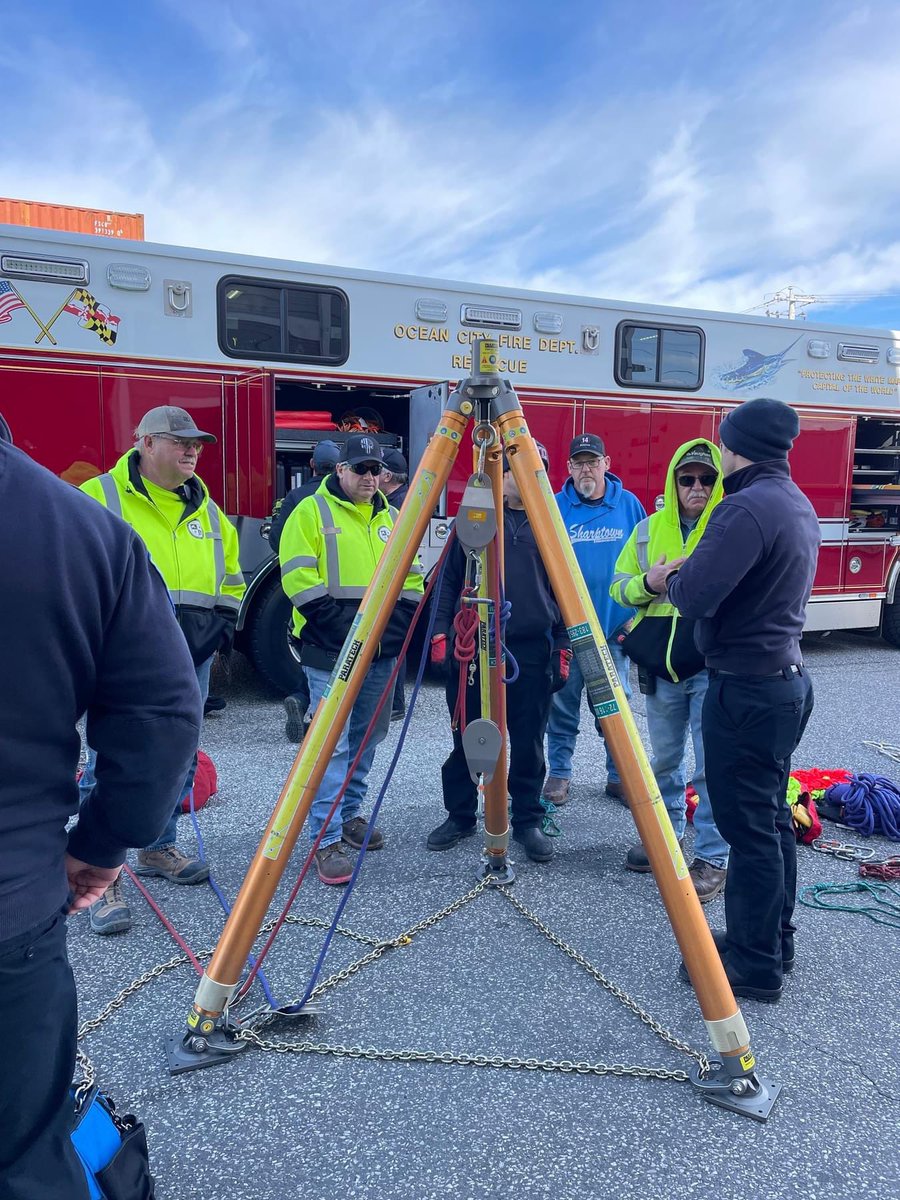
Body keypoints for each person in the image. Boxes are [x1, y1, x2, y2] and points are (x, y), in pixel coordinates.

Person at [0, 432, 201, 1199]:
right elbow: (161, 711)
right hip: (13, 911)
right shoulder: (78, 524)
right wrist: (103, 841)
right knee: (23, 1156)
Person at [665, 397, 819, 1002]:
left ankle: (754, 966)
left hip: (747, 690)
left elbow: (696, 595)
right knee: (772, 817)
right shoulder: (793, 501)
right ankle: (772, 939)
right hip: (784, 682)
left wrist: (665, 578)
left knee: (747, 827)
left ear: (737, 447)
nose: (718, 452)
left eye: (723, 443)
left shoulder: (745, 507)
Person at [78, 405, 245, 933]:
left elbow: (232, 584)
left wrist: (214, 637)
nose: (193, 450)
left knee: (177, 754)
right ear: (145, 443)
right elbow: (76, 582)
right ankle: (99, 878)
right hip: (118, 655)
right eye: (180, 441)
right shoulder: (99, 499)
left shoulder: (210, 514)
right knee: (108, 756)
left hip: (186, 660)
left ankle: (157, 847)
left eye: (197, 442)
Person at [279, 434, 425, 884]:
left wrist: (392, 630)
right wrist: (349, 632)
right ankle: (325, 840)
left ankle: (350, 815)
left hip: (380, 653)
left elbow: (413, 579)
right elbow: (299, 579)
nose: (368, 477)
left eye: (375, 470)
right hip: (330, 651)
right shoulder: (310, 512)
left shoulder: (395, 518)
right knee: (332, 744)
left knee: (367, 737)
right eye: (359, 468)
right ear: (338, 469)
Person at [426, 443, 570, 863]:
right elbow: (448, 582)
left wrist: (562, 645)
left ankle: (525, 819)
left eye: (532, 469)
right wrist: (440, 633)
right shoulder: (474, 522)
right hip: (475, 647)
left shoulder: (550, 526)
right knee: (467, 736)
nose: (521, 477)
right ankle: (461, 814)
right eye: (512, 470)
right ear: (499, 476)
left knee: (528, 741)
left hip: (529, 648)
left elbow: (566, 593)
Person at [610, 440, 730, 901]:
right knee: (663, 762)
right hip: (660, 668)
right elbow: (619, 588)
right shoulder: (645, 531)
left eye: (707, 478)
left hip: (709, 666)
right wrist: (649, 583)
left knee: (710, 768)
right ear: (673, 483)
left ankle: (712, 858)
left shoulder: (727, 529)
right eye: (687, 479)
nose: (696, 487)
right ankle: (666, 839)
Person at [543, 433, 646, 807]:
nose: (586, 469)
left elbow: (645, 564)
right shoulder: (554, 507)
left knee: (614, 710)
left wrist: (636, 620)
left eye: (592, 461)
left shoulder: (629, 505)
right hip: (569, 633)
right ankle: (559, 774)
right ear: (569, 468)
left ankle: (619, 776)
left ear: (607, 463)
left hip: (614, 633)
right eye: (578, 462)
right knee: (563, 707)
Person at [268, 438, 343, 742]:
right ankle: (315, 709)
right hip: (345, 598)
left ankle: (305, 702)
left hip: (305, 594)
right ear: (339, 467)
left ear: (311, 464)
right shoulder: (346, 497)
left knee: (311, 651)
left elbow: (276, 539)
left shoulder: (296, 496)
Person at [380, 447, 411, 719]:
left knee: (392, 647)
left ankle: (395, 704)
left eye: (375, 470)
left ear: (387, 475)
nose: (371, 476)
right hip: (399, 592)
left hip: (394, 592)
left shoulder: (394, 507)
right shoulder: (405, 499)